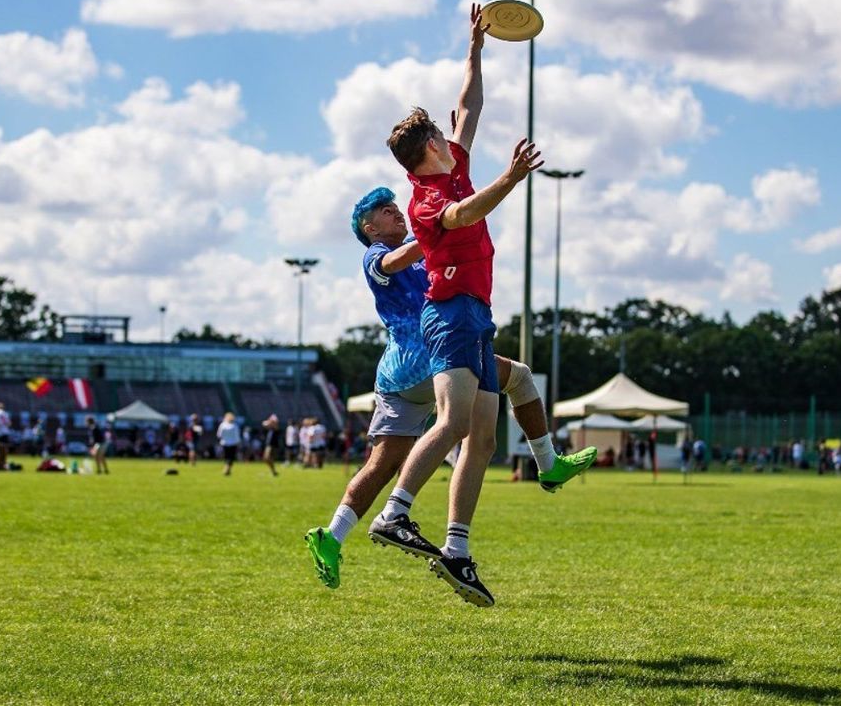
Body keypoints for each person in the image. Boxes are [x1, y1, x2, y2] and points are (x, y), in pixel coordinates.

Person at [305, 178, 596, 600]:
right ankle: (543, 468)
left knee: (386, 462)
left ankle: (332, 536)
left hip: (402, 376)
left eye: (395, 207)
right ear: (369, 228)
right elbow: (401, 260)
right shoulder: (375, 256)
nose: (397, 212)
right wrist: (436, 227)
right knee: (501, 397)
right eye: (386, 211)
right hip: (431, 360)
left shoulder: (420, 256)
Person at [216, 412, 240, 476]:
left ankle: (226, 468)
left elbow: (219, 435)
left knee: (226, 457)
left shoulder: (222, 425)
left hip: (224, 443)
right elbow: (237, 436)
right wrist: (238, 442)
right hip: (233, 443)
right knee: (231, 457)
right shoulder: (234, 426)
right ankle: (228, 469)